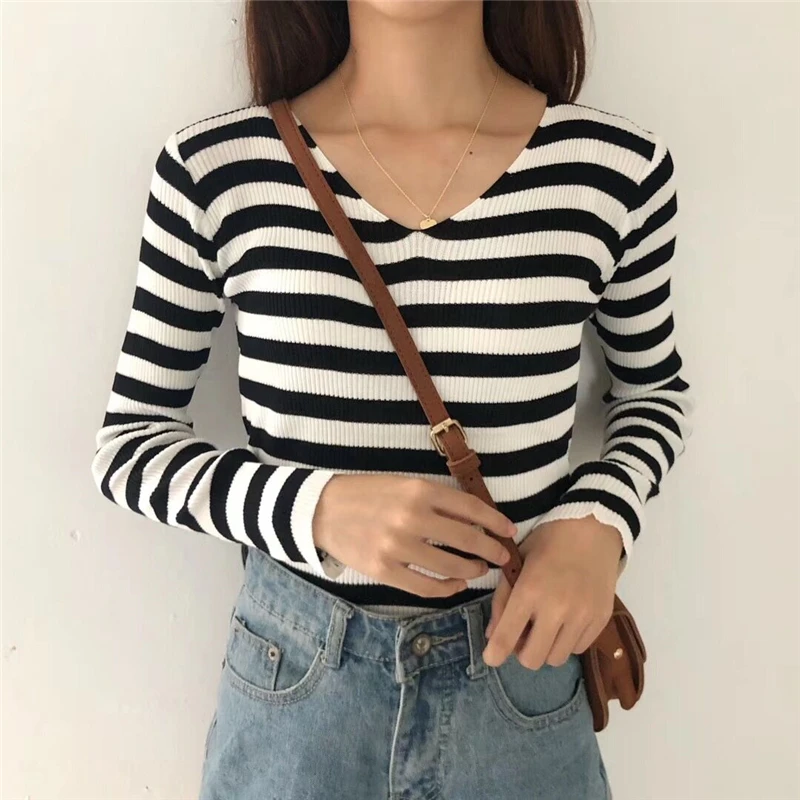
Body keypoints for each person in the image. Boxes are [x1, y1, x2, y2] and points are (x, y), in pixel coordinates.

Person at [91, 1, 694, 797]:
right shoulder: (217, 169)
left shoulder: (614, 171)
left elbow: (653, 392)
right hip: (299, 693)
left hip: (519, 673)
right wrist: (318, 510)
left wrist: (599, 526)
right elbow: (130, 446)